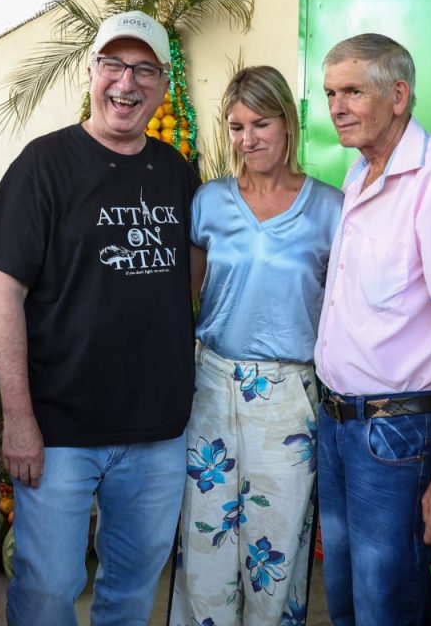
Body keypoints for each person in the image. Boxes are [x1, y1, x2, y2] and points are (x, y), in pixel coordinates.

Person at [0, 10, 201, 625]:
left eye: (144, 70)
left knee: (130, 590)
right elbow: (4, 296)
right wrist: (18, 417)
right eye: (115, 66)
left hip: (157, 429)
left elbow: (193, 280)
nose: (127, 83)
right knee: (48, 590)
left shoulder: (176, 170)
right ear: (92, 71)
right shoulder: (44, 164)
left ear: (161, 85)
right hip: (59, 430)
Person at [315, 34, 431, 625]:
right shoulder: (357, 175)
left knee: (386, 602)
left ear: (398, 95)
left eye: (352, 92)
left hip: (398, 434)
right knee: (343, 595)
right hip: (339, 423)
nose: (337, 106)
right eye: (330, 93)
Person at [169, 67, 342, 626]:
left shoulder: (331, 209)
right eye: (237, 126)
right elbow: (186, 299)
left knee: (277, 544)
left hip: (290, 397)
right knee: (205, 540)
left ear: (287, 123)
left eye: (260, 123)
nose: (248, 139)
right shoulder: (209, 202)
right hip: (213, 385)